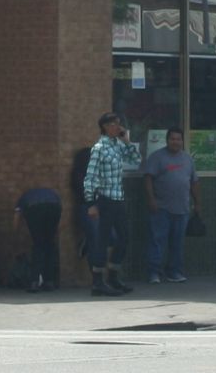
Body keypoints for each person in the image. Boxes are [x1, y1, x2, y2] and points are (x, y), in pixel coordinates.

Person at [84, 111, 141, 296]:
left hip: (118, 198)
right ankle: (98, 282)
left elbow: (136, 160)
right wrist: (90, 203)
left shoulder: (117, 145)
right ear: (105, 127)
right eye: (115, 124)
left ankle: (113, 277)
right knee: (102, 241)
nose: (118, 127)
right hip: (105, 199)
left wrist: (127, 141)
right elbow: (90, 177)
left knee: (123, 238)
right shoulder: (99, 148)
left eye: (119, 124)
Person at [142, 126, 200, 284]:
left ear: (182, 141)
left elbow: (194, 182)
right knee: (157, 241)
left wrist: (197, 203)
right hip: (161, 208)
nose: (176, 142)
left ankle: (174, 272)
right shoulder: (157, 157)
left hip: (182, 209)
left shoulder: (188, 159)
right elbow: (148, 178)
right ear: (167, 140)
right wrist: (151, 199)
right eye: (172, 139)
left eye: (178, 139)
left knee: (177, 243)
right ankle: (154, 273)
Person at [14, 184, 62, 293]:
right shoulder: (51, 193)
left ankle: (34, 282)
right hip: (55, 207)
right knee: (49, 245)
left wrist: (15, 233)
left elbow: (17, 215)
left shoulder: (24, 197)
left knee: (38, 245)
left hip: (34, 208)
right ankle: (49, 282)